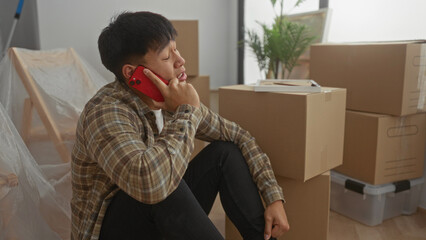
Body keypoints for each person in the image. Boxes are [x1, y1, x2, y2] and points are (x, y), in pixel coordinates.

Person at [71, 11, 289, 240]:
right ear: (132, 73)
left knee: (225, 153)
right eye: (166, 57)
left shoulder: (169, 96)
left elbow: (240, 136)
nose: (180, 61)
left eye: (176, 49)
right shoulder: (106, 112)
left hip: (155, 216)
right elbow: (151, 183)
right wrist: (187, 112)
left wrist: (273, 197)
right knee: (163, 181)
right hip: (111, 229)